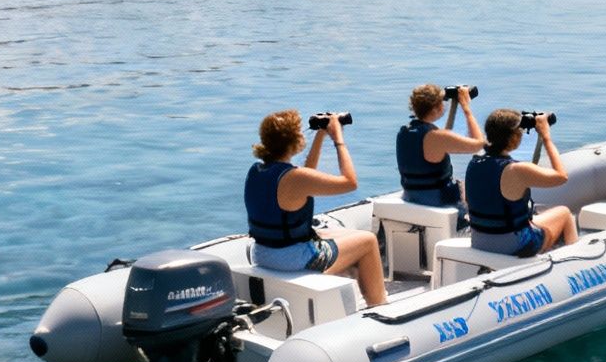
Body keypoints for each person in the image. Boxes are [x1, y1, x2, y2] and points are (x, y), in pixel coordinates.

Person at [244, 109, 386, 307]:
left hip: (262, 252)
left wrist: (321, 134)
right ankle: (379, 305)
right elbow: (350, 182)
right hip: (290, 259)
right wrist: (338, 139)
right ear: (295, 141)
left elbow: (307, 177)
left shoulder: (257, 170)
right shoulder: (294, 178)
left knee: (335, 234)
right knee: (368, 241)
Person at [464, 109, 578, 256]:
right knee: (564, 213)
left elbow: (471, 200)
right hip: (513, 245)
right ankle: (574, 263)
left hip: (480, 240)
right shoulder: (517, 170)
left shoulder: (474, 163)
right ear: (513, 139)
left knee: (531, 220)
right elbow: (562, 176)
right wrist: (546, 137)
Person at [396, 83, 485, 211]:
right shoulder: (436, 137)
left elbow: (444, 138)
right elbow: (478, 144)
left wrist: (455, 106)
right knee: (478, 187)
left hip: (411, 197)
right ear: (436, 108)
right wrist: (466, 108)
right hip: (439, 202)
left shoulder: (405, 132)